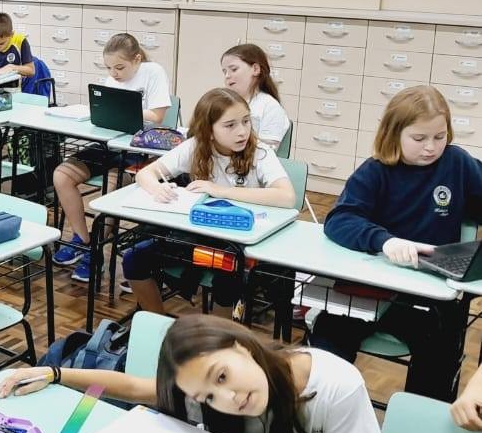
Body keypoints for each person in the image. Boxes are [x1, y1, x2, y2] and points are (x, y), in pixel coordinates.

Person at [0, 314, 384, 433]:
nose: (227, 399)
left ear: (243, 347)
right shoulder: (211, 392)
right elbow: (134, 387)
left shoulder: (337, 385)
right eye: (207, 397)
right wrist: (55, 374)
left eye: (222, 376)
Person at [315, 85, 482, 401]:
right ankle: (325, 411)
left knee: (440, 350)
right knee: (328, 337)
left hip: (429, 296)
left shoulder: (458, 163)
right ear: (394, 134)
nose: (431, 147)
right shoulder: (376, 170)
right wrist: (384, 241)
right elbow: (339, 220)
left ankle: (420, 421)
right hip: (370, 288)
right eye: (419, 139)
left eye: (440, 136)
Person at [129, 88, 295, 314]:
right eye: (230, 125)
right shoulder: (195, 146)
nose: (242, 131)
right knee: (134, 259)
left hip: (238, 242)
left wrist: (221, 191)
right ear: (209, 131)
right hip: (200, 237)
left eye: (246, 121)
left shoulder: (260, 152)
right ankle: (156, 322)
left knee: (228, 274)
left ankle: (217, 333)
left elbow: (286, 196)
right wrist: (157, 188)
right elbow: (145, 174)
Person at [51, 33, 171, 282]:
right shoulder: (112, 79)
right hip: (110, 145)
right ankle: (82, 240)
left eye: (119, 67)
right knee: (61, 175)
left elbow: (158, 116)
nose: (114, 74)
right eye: (109, 68)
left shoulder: (153, 72)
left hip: (140, 150)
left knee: (110, 186)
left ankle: (95, 253)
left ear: (136, 59)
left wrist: (124, 108)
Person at [221, 44, 290, 150]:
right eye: (224, 72)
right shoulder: (224, 104)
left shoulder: (270, 107)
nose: (227, 76)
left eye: (234, 69)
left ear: (255, 69)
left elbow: (266, 152)